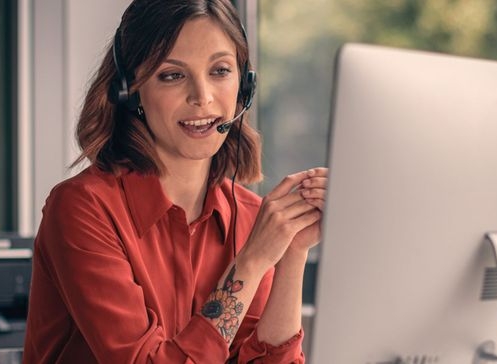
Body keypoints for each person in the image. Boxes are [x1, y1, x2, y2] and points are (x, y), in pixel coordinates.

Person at [22, 1, 328, 362]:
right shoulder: (82, 209)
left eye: (220, 71)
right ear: (130, 90)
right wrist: (252, 261)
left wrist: (292, 252)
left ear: (245, 85)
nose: (202, 97)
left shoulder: (250, 217)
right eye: (172, 75)